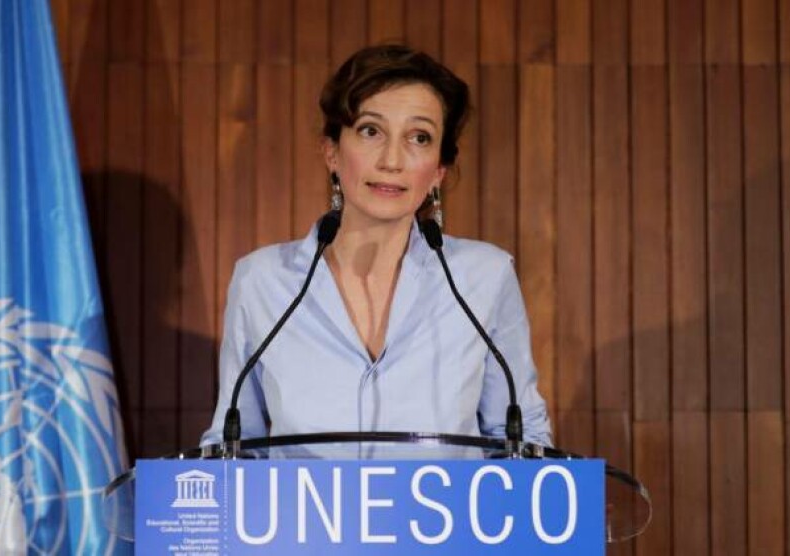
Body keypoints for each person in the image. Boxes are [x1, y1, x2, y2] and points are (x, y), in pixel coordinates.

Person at [201, 44, 552, 447]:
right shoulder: (262, 280)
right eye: (371, 131)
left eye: (419, 137)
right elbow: (233, 444)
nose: (392, 160)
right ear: (332, 151)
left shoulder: (484, 277)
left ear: (438, 171)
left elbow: (522, 438)